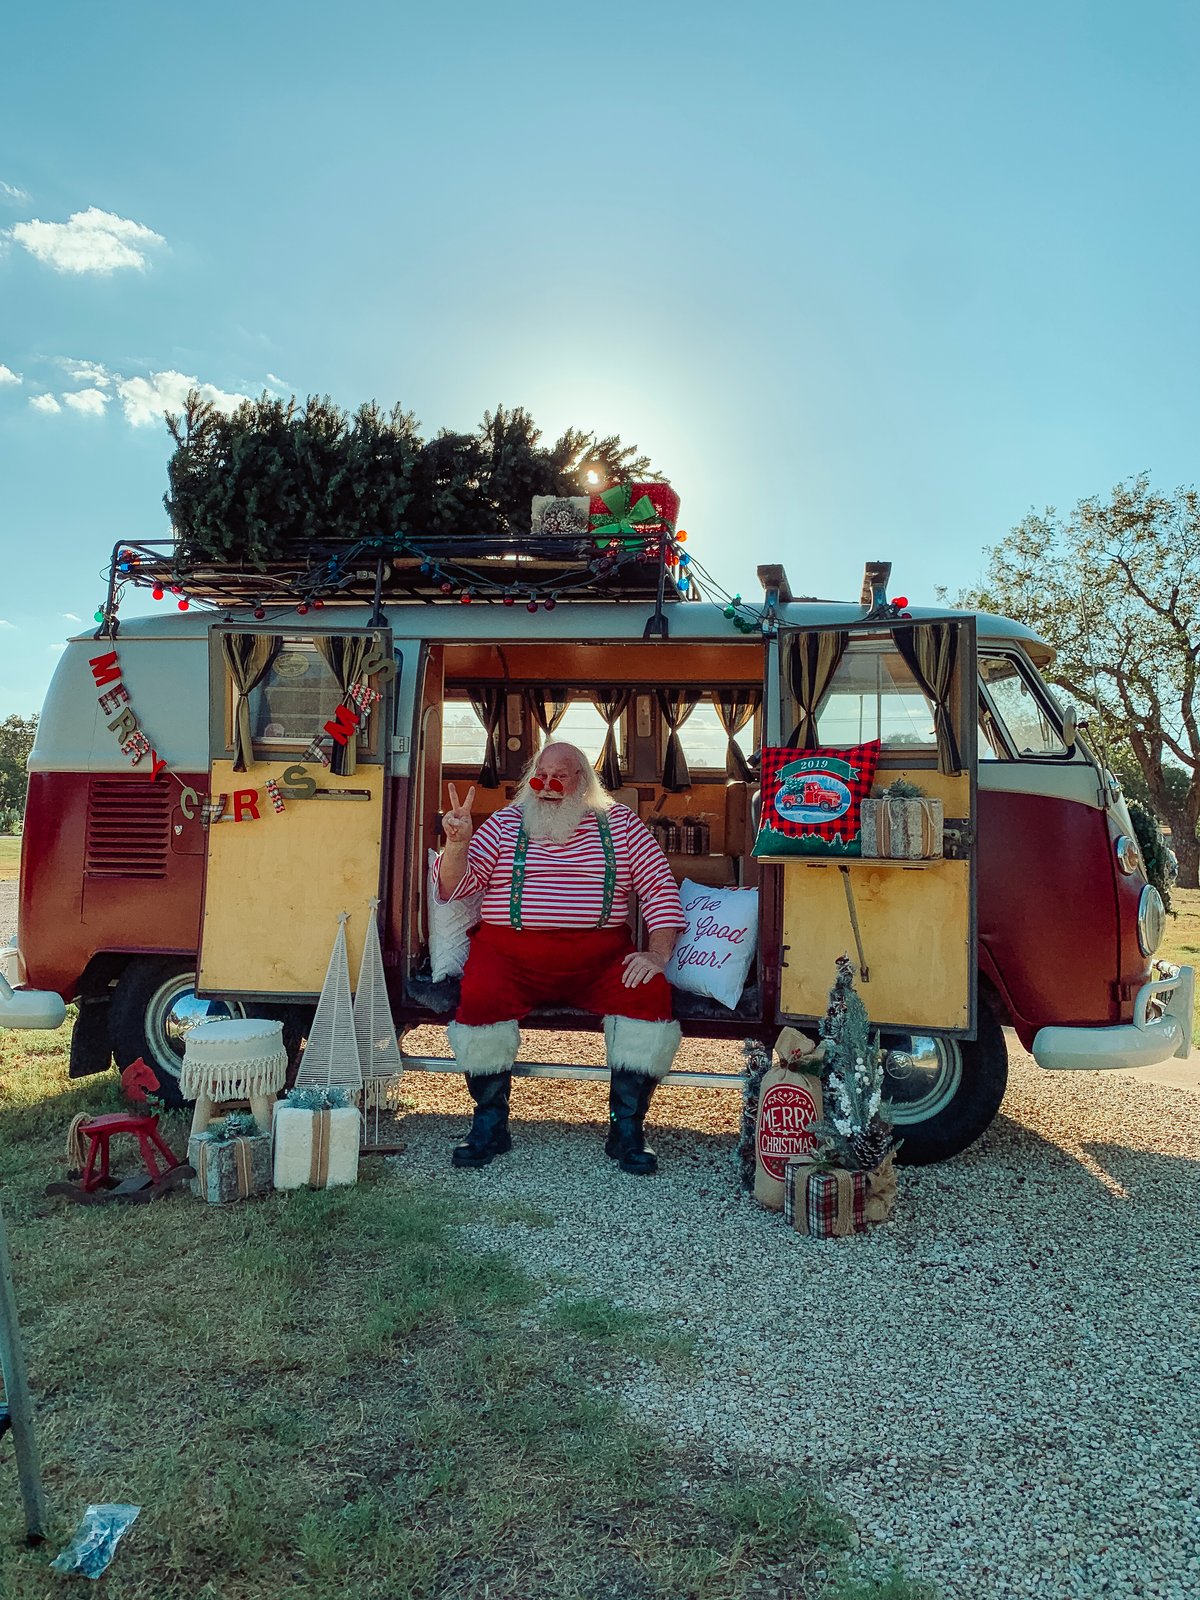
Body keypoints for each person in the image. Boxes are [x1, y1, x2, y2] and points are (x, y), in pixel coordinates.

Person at [436, 741, 686, 1175]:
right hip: (510, 957)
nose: (546, 787)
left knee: (648, 993)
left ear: (582, 782)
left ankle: (626, 1131)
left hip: (599, 961)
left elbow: (660, 890)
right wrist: (456, 844)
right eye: (539, 777)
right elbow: (460, 887)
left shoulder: (622, 824)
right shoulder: (505, 822)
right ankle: (490, 1126)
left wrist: (658, 954)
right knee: (479, 995)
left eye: (559, 778)